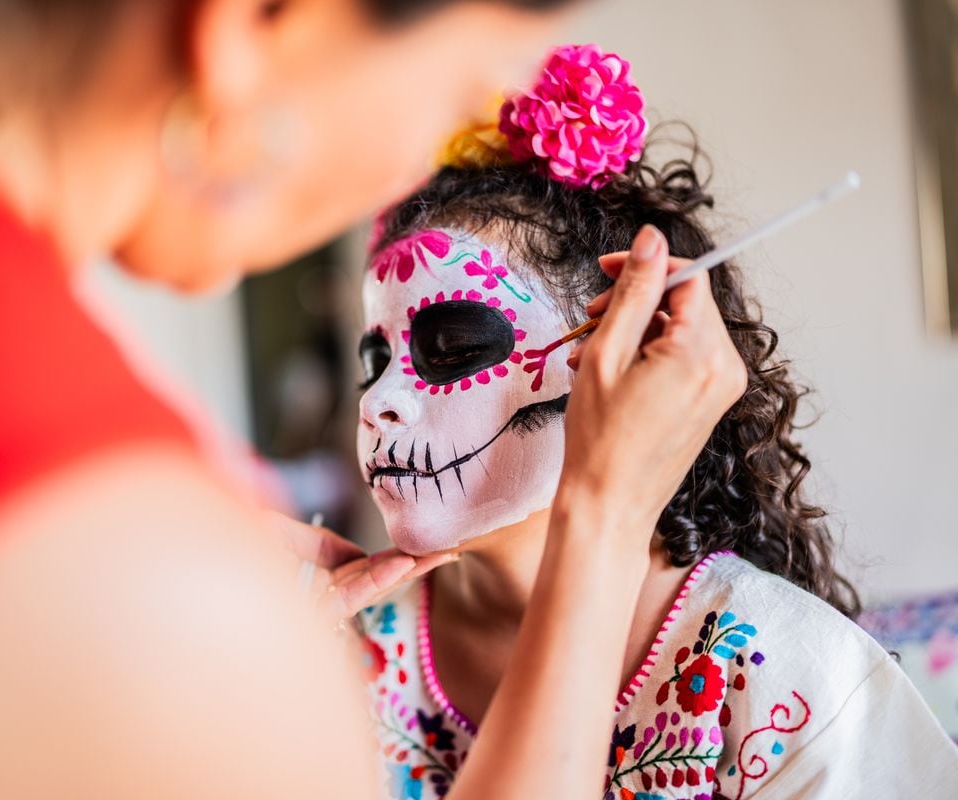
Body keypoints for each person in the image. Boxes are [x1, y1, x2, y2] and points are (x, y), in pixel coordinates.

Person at [0, 4, 744, 798]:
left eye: (448, 345)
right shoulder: (159, 593)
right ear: (252, 24)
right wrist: (605, 518)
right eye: (450, 96)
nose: (412, 174)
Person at [355, 43, 958, 799]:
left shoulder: (786, 677)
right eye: (373, 357)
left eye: (454, 345)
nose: (377, 400)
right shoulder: (336, 653)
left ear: (622, 353)